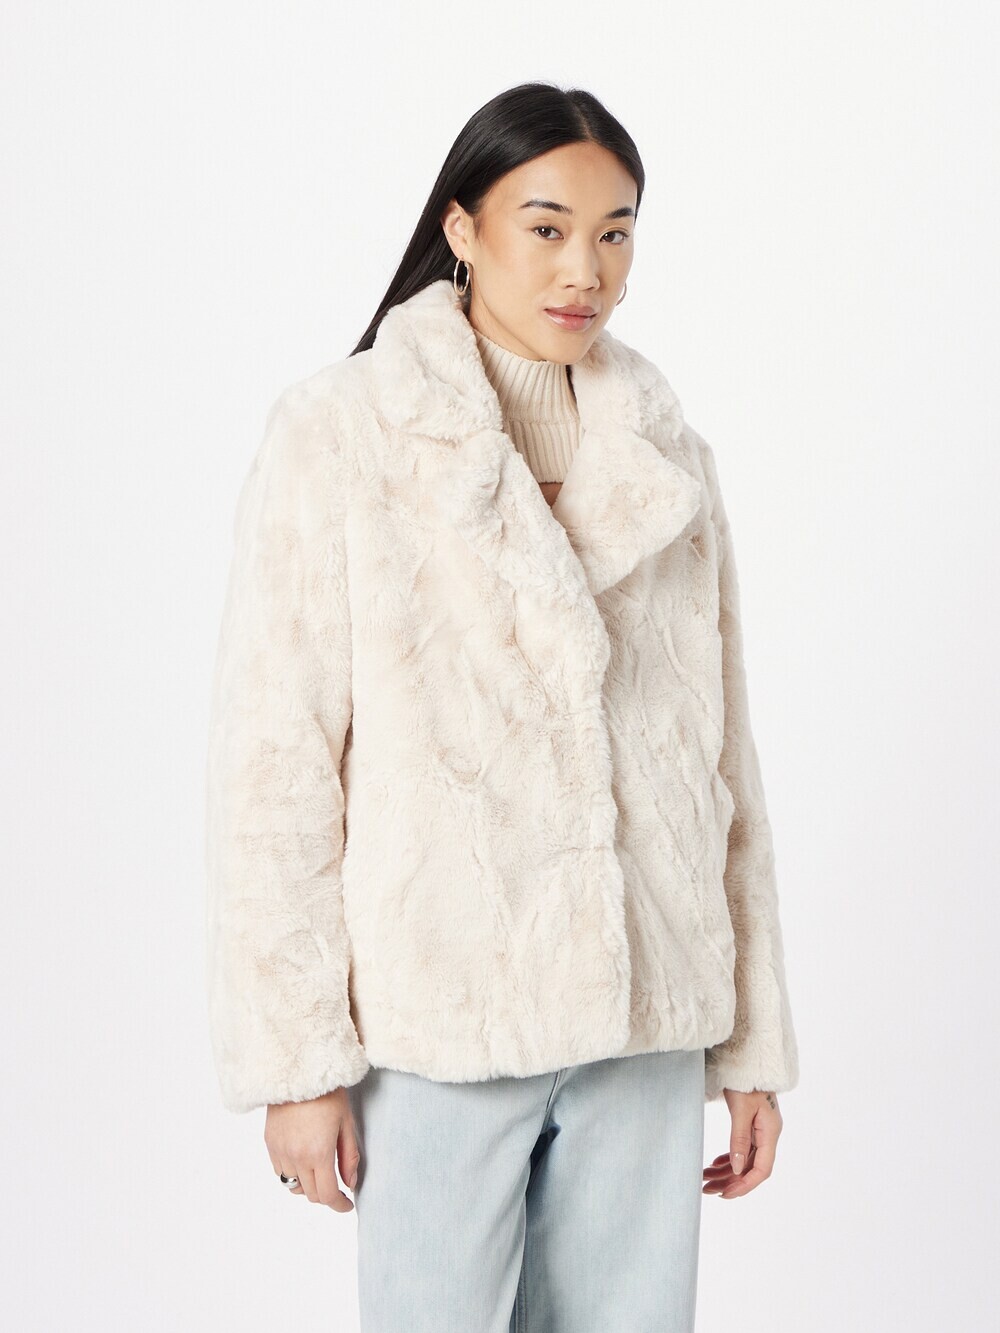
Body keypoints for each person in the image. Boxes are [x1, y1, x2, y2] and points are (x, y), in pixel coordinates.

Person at [204, 81, 799, 1333]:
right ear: (462, 228)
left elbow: (721, 765)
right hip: (442, 1021)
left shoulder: (669, 458)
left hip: (645, 1020)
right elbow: (275, 765)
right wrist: (297, 1064)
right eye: (546, 227)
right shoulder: (343, 433)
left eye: (616, 232)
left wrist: (748, 1047)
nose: (586, 268)